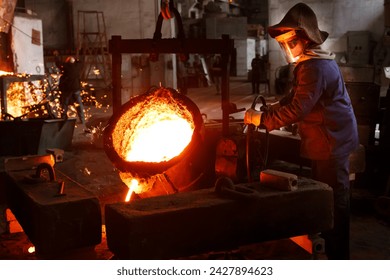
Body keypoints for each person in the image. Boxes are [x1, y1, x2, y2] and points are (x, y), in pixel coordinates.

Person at [244, 2, 359, 260]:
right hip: (331, 137)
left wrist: (262, 119)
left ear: (305, 39)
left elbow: (298, 109)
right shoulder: (312, 62)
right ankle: (329, 248)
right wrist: (274, 106)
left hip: (332, 142)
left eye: (289, 42)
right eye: (283, 44)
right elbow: (295, 96)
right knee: (327, 195)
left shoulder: (315, 67)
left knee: (334, 202)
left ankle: (339, 259)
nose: (286, 48)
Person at [54, 50, 85, 125]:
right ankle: (82, 120)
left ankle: (63, 118)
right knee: (79, 104)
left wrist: (56, 56)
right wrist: (77, 57)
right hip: (76, 88)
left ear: (67, 61)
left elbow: (58, 63)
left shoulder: (65, 66)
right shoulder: (77, 66)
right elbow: (81, 61)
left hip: (67, 89)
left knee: (65, 104)